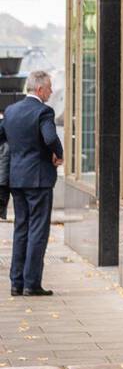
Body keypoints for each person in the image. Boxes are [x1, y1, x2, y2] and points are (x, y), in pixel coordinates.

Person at [0, 70, 63, 297]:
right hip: (38, 180)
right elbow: (50, 138)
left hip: (16, 179)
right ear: (39, 89)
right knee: (38, 230)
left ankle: (16, 283)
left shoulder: (11, 111)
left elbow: (2, 137)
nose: (51, 91)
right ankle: (31, 284)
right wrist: (58, 154)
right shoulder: (43, 112)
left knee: (21, 229)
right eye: (49, 88)